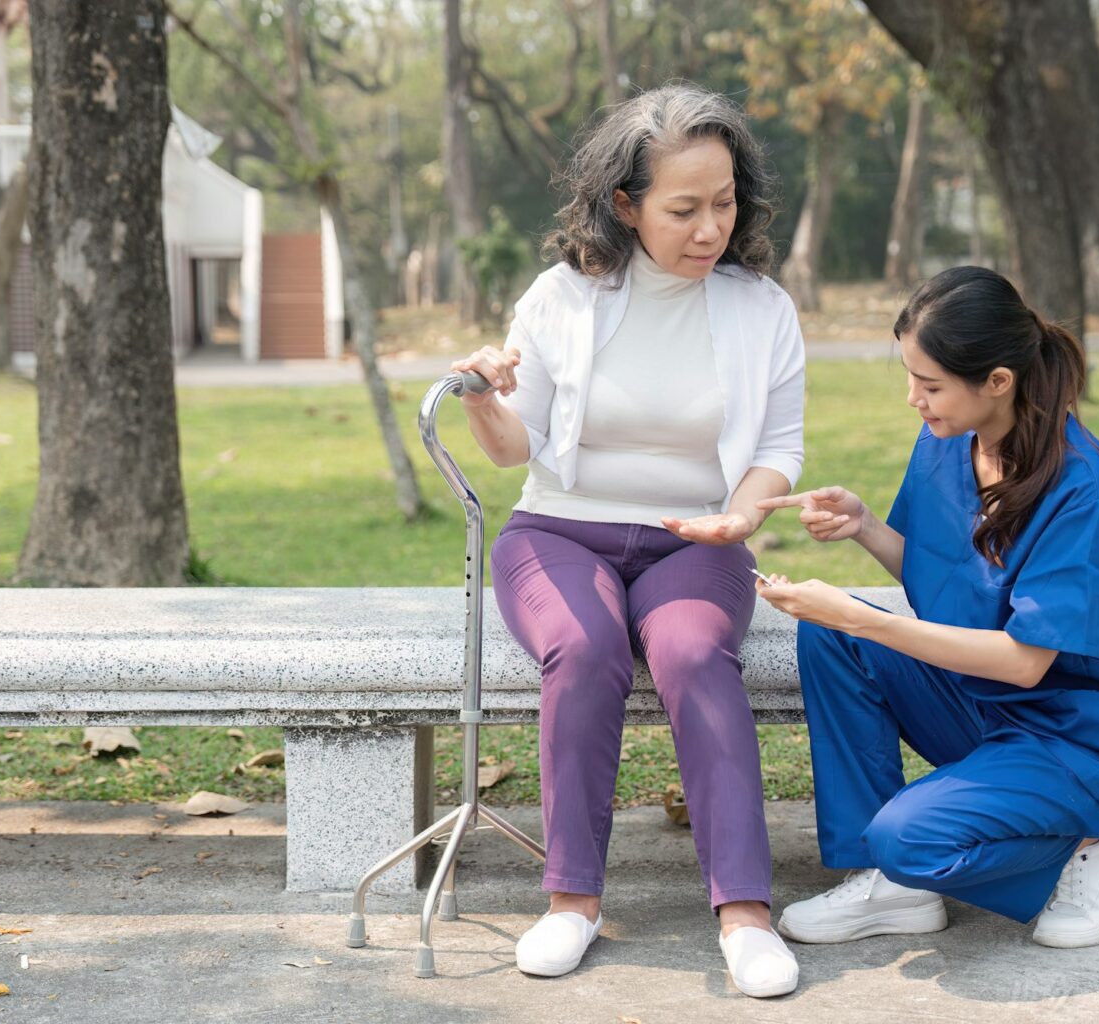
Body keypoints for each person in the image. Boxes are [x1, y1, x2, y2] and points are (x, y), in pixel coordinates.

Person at [449, 84, 804, 997]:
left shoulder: (761, 308)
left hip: (698, 540)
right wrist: (485, 396)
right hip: (561, 532)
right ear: (625, 204)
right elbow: (513, 449)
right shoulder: (562, 298)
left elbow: (777, 452)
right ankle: (571, 902)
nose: (709, 228)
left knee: (690, 653)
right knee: (586, 644)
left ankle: (745, 915)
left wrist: (744, 516)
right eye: (683, 209)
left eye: (723, 202)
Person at [753, 266, 1099, 950]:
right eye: (910, 376)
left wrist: (859, 614)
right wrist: (863, 525)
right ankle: (889, 889)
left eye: (931, 384)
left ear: (998, 382)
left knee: (905, 836)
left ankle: (1091, 839)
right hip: (986, 709)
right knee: (833, 640)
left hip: (1080, 741)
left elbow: (1025, 661)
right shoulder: (949, 440)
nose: (912, 398)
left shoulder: (1089, 494)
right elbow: (945, 576)